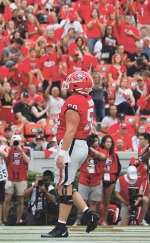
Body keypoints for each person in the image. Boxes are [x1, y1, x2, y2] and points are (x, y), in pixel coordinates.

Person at [42, 71, 99, 238]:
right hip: (79, 145)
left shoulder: (74, 100)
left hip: (72, 145)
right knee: (64, 185)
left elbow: (70, 131)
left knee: (64, 187)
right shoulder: (87, 98)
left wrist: (62, 153)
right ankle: (89, 214)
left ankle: (61, 227)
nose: (67, 86)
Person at [74, 135, 107, 226]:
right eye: (95, 140)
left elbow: (103, 157)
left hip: (96, 180)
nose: (97, 142)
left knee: (93, 202)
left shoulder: (101, 150)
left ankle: (91, 221)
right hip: (84, 179)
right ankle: (78, 220)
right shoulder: (84, 151)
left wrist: (91, 149)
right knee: (82, 201)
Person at [3, 135, 31, 225]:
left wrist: (21, 150)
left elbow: (27, 161)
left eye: (17, 141)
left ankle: (18, 221)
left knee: (20, 200)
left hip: (21, 177)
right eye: (14, 141)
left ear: (21, 142)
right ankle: (4, 220)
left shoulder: (26, 150)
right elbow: (4, 160)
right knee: (7, 199)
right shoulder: (9, 150)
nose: (16, 143)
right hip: (10, 177)